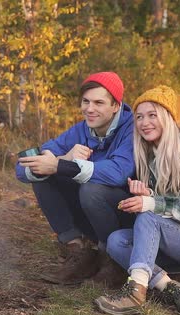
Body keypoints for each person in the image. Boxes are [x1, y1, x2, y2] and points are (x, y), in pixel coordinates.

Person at [94, 85, 180, 315]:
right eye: (139, 117)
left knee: (149, 215)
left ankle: (135, 292)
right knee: (116, 241)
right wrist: (147, 193)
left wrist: (150, 203)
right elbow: (165, 202)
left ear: (167, 118)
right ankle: (171, 287)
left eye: (152, 115)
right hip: (174, 236)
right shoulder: (150, 153)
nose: (144, 122)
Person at [16, 72, 135, 285]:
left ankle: (112, 260)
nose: (90, 109)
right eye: (86, 101)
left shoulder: (133, 129)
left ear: (116, 106)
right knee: (43, 175)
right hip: (92, 215)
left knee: (92, 188)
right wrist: (60, 159)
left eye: (99, 102)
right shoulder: (81, 129)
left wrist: (63, 165)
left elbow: (117, 172)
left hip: (127, 217)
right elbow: (24, 166)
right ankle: (79, 252)